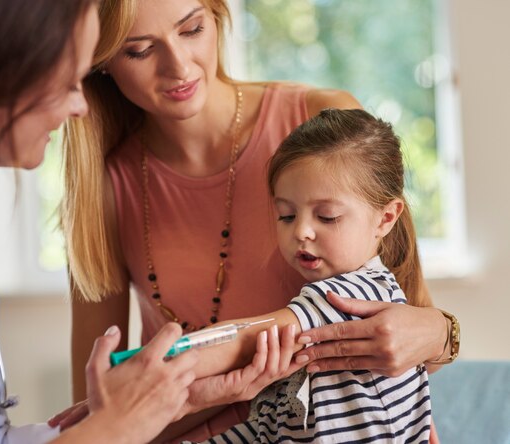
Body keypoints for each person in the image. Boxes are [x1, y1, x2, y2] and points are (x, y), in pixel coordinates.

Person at [62, 0, 457, 441]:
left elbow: (416, 337)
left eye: (191, 29)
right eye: (138, 50)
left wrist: (444, 333)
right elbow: (98, 407)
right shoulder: (103, 186)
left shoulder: (322, 131)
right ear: (98, 62)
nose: (178, 66)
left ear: (216, 17)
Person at [0, 1, 200, 443]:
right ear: (4, 72)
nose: (80, 107)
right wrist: (118, 428)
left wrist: (105, 420)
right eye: (70, 82)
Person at [190, 108, 434, 443]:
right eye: (287, 215)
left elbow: (243, 340)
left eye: (327, 216)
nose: (302, 231)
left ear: (385, 218)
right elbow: (272, 429)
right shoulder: (331, 311)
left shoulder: (351, 296)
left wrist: (159, 362)